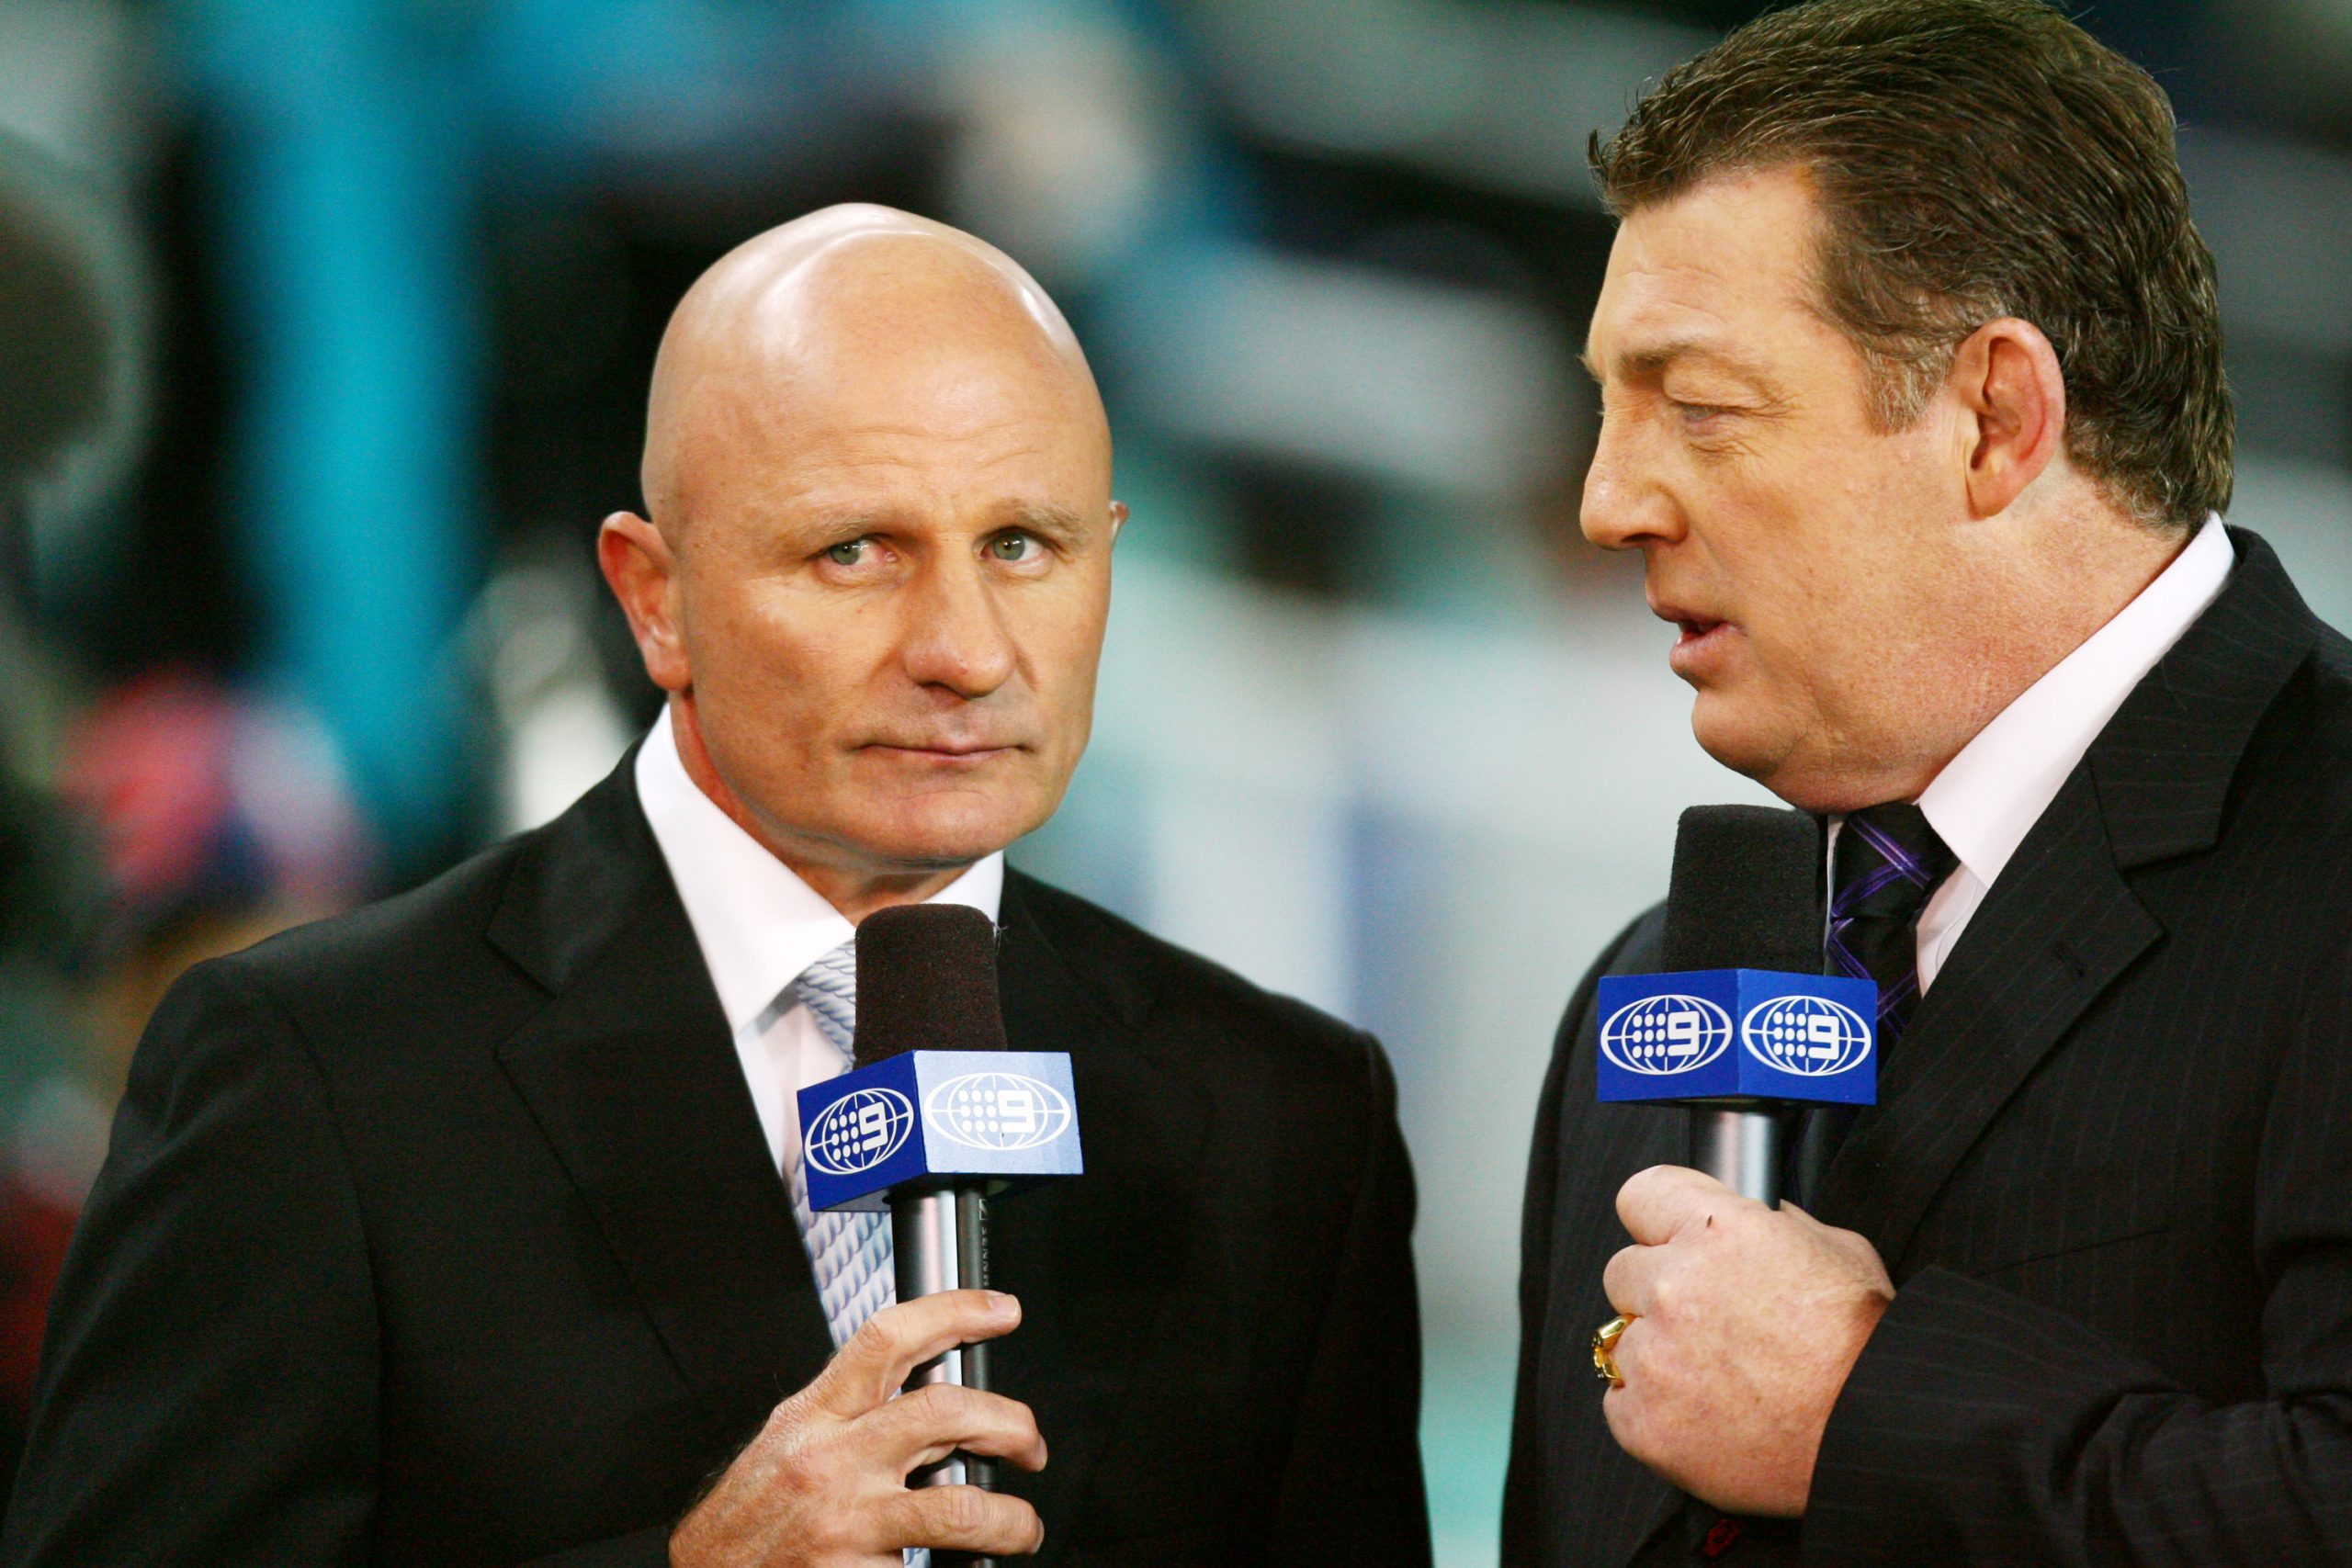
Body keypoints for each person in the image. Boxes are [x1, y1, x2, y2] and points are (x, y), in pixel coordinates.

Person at [4, 206, 1431, 1567]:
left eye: (1021, 546)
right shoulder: (313, 1079)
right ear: (654, 599)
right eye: (855, 552)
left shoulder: (1289, 1127)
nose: (966, 650)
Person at [1503, 3, 2352, 1563]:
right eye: (1609, 407)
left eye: (1698, 407)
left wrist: (1863, 1413)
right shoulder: (1648, 989)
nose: (1608, 498)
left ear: (1996, 419)